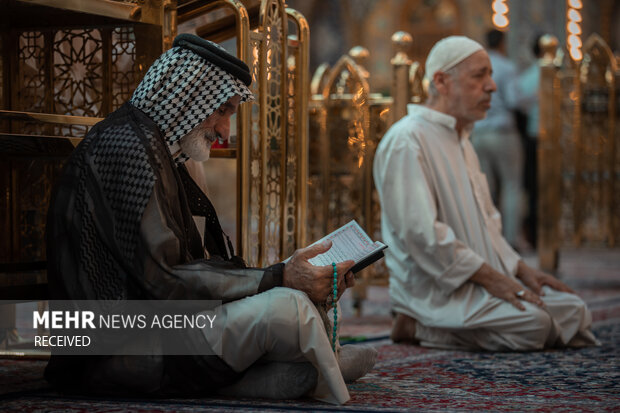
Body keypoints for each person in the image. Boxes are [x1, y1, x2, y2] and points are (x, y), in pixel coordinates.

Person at [45, 34, 376, 404]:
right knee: (289, 308)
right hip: (107, 343)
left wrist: (293, 278)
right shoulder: (125, 147)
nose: (224, 132)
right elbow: (167, 280)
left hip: (157, 324)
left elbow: (191, 269)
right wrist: (278, 277)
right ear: (187, 95)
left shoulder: (159, 150)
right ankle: (300, 371)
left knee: (300, 305)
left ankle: (289, 372)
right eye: (222, 110)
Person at [373, 35, 598, 351]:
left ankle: (443, 323)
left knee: (575, 312)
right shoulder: (407, 140)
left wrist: (521, 271)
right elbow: (422, 235)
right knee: (536, 325)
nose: (492, 86)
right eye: (480, 76)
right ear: (441, 81)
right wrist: (497, 281)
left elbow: (487, 220)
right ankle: (418, 323)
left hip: (478, 280)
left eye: (490, 76)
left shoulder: (461, 137)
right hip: (436, 290)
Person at [471, 29, 529, 250]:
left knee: (484, 188)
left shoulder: (476, 69)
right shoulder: (506, 67)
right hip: (503, 132)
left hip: (479, 131)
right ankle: (512, 239)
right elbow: (515, 101)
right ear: (503, 43)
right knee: (512, 185)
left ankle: (487, 239)